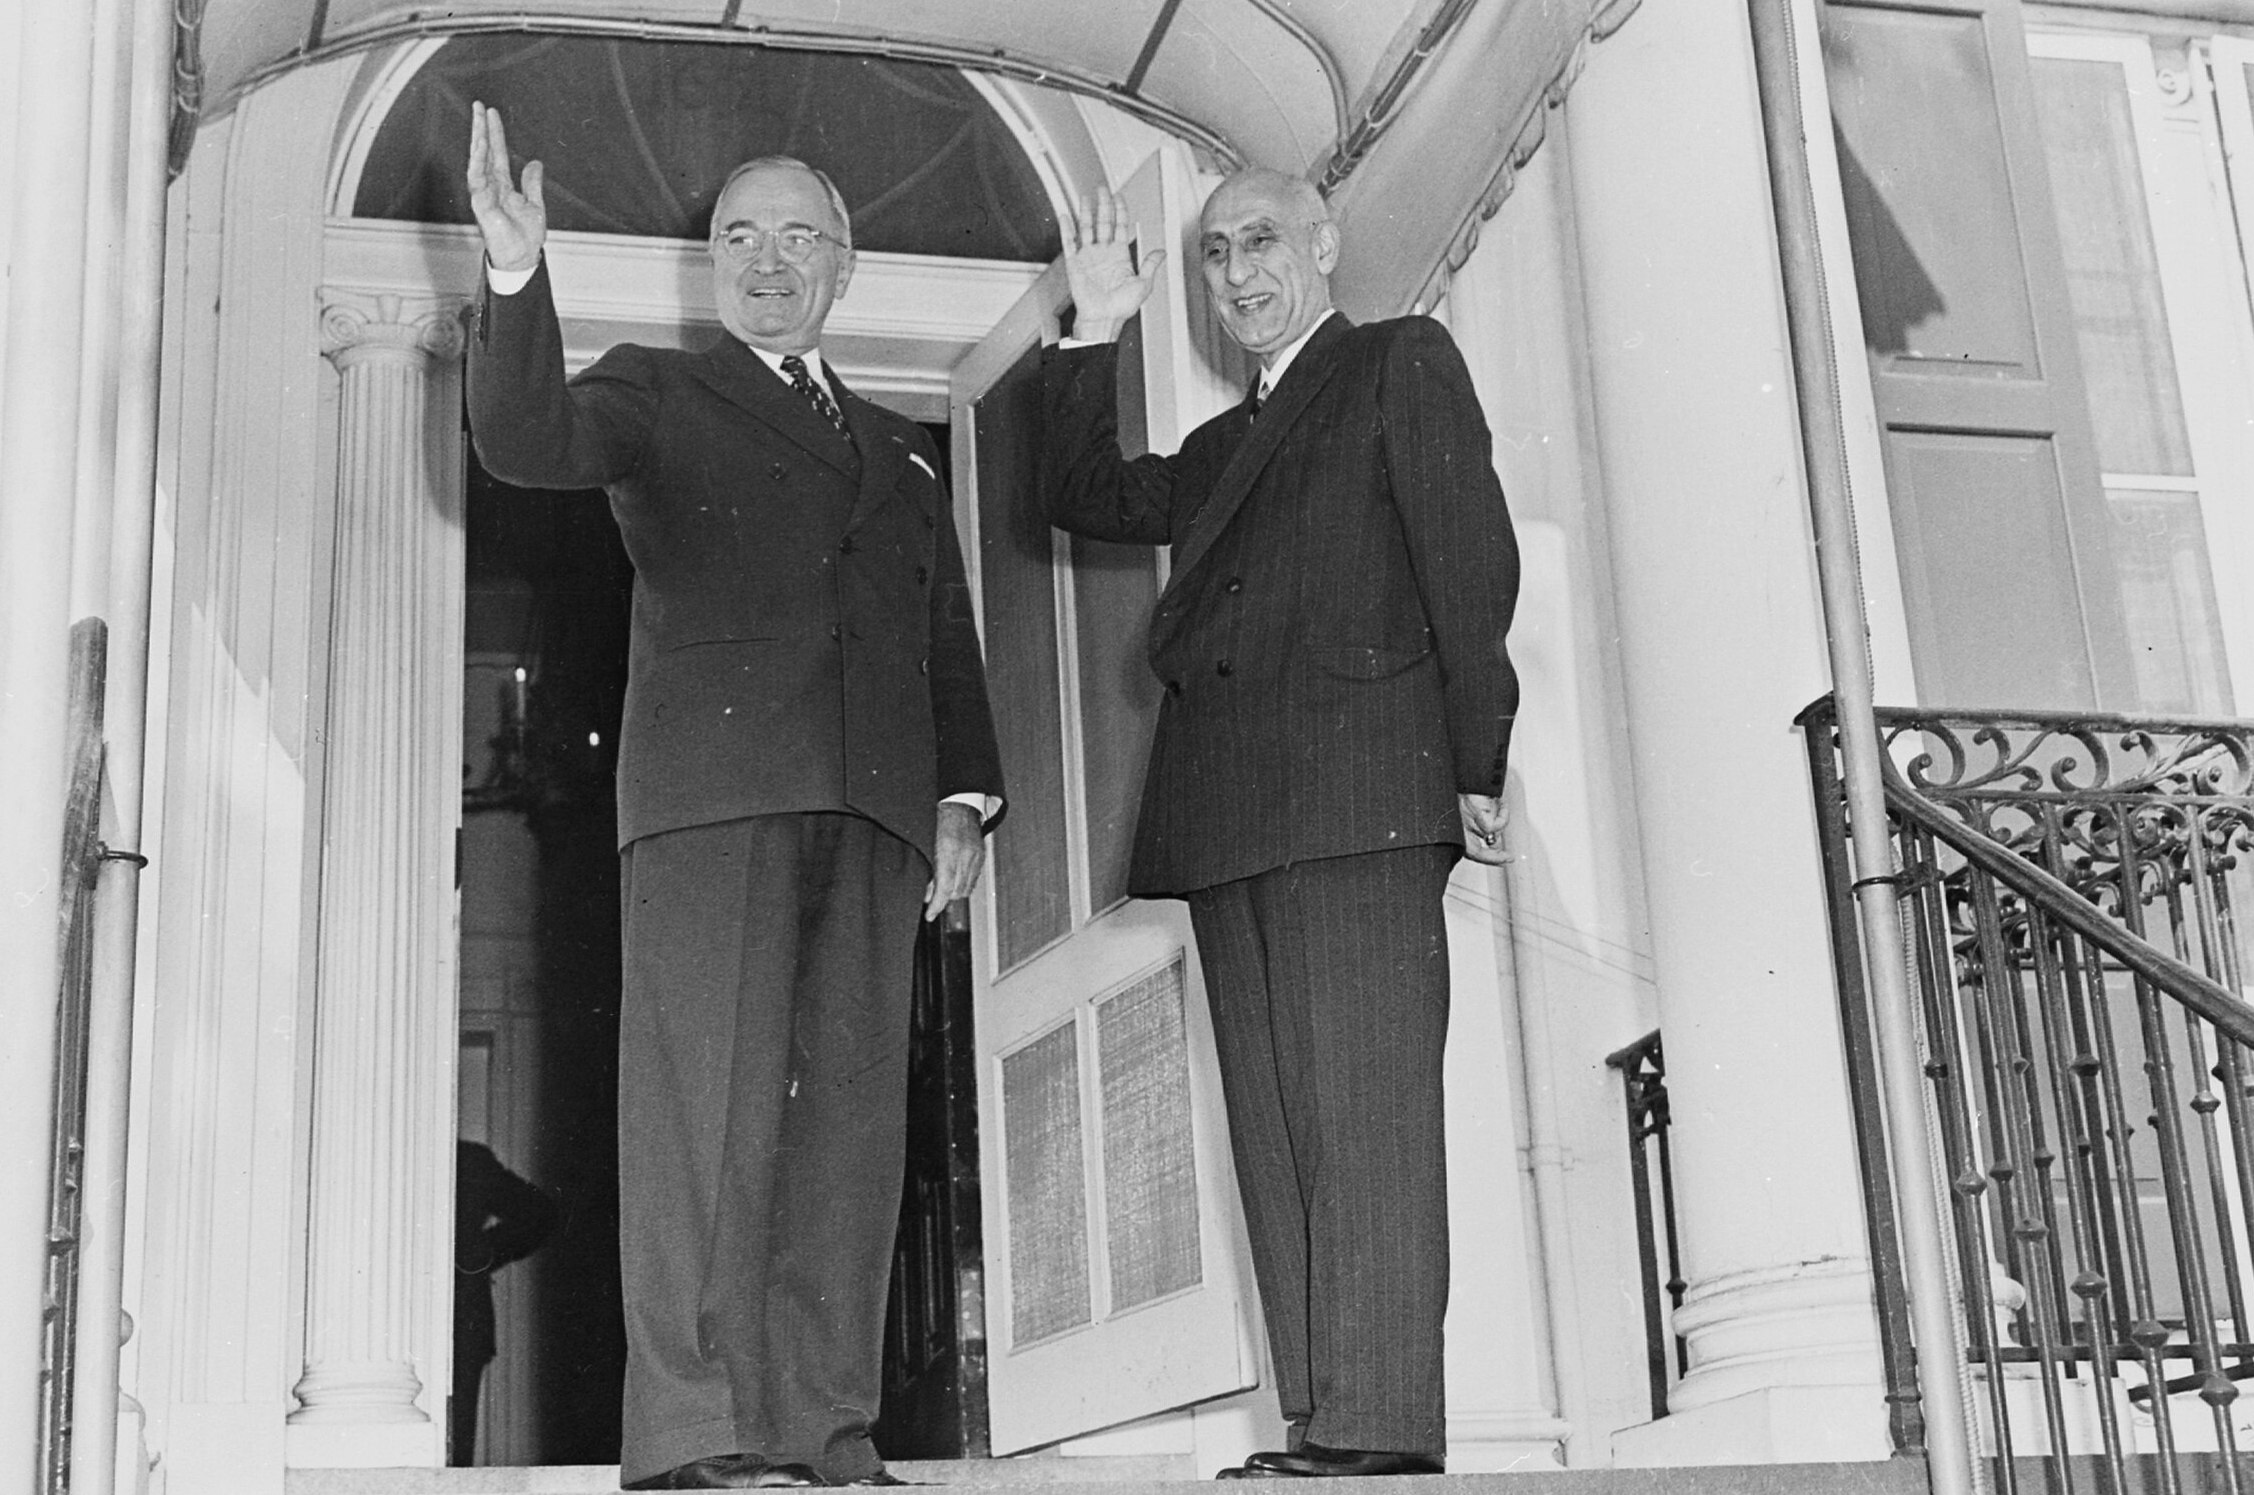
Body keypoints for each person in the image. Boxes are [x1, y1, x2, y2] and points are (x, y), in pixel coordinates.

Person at [463, 106, 1005, 1491]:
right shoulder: (658, 389)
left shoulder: (903, 446)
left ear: (843, 265)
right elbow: (525, 436)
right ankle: (693, 1429)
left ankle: (824, 1428)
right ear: (711, 264)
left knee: (849, 1132)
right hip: (715, 795)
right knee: (702, 1115)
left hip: (876, 808)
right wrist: (517, 272)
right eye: (739, 237)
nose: (767, 260)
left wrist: (961, 795)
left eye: (796, 237)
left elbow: (940, 630)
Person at [1040, 171, 1519, 1478]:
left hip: (1360, 792)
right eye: (1214, 255)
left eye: (1260, 242)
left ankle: (1379, 1427)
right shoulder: (1221, 447)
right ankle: (1319, 1421)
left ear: (1321, 243)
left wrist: (1475, 757)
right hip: (1227, 813)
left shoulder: (1395, 361)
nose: (1238, 273)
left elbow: (1470, 562)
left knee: (1362, 1117)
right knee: (1275, 1131)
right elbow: (1084, 492)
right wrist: (1093, 325)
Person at [451, 1140, 561, 1466]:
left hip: (460, 1320)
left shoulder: (467, 1160)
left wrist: (475, 1255)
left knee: (455, 1453)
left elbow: (539, 1213)